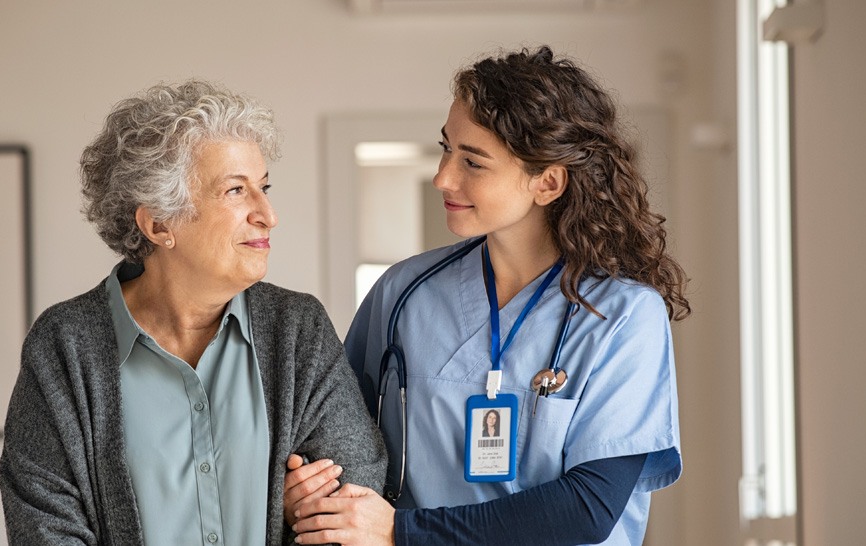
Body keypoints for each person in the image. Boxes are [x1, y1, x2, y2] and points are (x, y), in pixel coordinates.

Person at [286, 46, 689, 545]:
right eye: (446, 148)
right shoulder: (403, 293)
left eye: (473, 162)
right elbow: (334, 440)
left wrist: (403, 532)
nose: (442, 177)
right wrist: (309, 489)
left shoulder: (622, 316)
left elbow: (589, 507)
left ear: (548, 182)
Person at [0, 79, 386, 545]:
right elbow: (45, 528)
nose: (267, 214)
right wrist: (285, 513)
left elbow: (352, 509)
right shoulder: (63, 346)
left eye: (262, 187)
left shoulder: (298, 330)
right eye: (236, 191)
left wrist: (298, 517)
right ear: (159, 223)